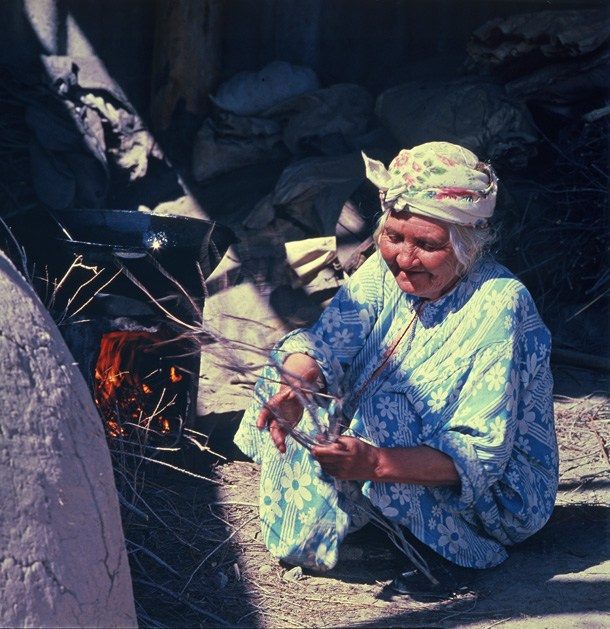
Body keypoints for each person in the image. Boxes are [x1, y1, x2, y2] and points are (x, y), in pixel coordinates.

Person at [233, 141, 558, 597]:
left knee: (389, 409)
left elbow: (482, 453)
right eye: (395, 237)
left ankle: (447, 551)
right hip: (387, 447)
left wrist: (372, 461)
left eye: (428, 245)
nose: (404, 259)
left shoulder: (501, 304)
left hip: (492, 493)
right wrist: (299, 387)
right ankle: (354, 518)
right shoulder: (383, 272)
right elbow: (327, 343)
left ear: (468, 246)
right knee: (290, 364)